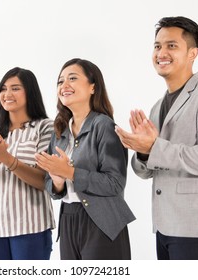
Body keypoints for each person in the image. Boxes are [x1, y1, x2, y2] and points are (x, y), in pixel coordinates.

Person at [115, 16, 198, 260]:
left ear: (193, 53)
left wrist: (155, 146)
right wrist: (143, 152)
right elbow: (145, 171)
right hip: (165, 228)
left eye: (172, 45)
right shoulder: (158, 106)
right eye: (157, 46)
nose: (161, 52)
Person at [35, 58, 135, 260]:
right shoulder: (59, 130)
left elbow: (115, 184)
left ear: (92, 87)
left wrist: (70, 172)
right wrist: (57, 181)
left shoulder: (104, 126)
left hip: (102, 222)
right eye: (60, 81)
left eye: (72, 78)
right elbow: (52, 186)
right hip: (69, 219)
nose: (64, 86)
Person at [0, 67, 55, 260]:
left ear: (30, 92)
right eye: (3, 88)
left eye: (15, 88)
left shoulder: (45, 127)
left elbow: (44, 181)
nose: (7, 94)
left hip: (31, 226)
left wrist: (7, 159)